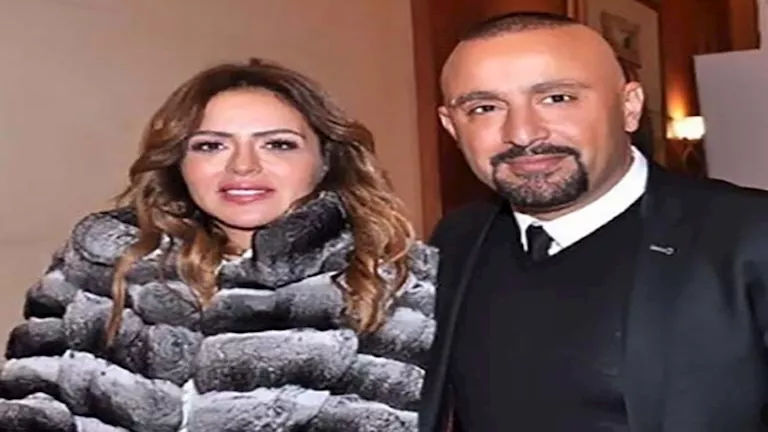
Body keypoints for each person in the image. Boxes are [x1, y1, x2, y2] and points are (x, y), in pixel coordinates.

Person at [0, 60, 437, 431]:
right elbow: (30, 406)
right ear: (179, 163)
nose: (243, 166)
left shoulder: (395, 279)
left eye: (278, 144)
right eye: (211, 146)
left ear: (325, 161)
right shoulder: (102, 260)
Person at [420, 11, 768, 432]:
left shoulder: (749, 237)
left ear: (629, 107)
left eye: (557, 98)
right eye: (485, 108)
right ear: (451, 127)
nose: (523, 133)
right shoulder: (456, 240)